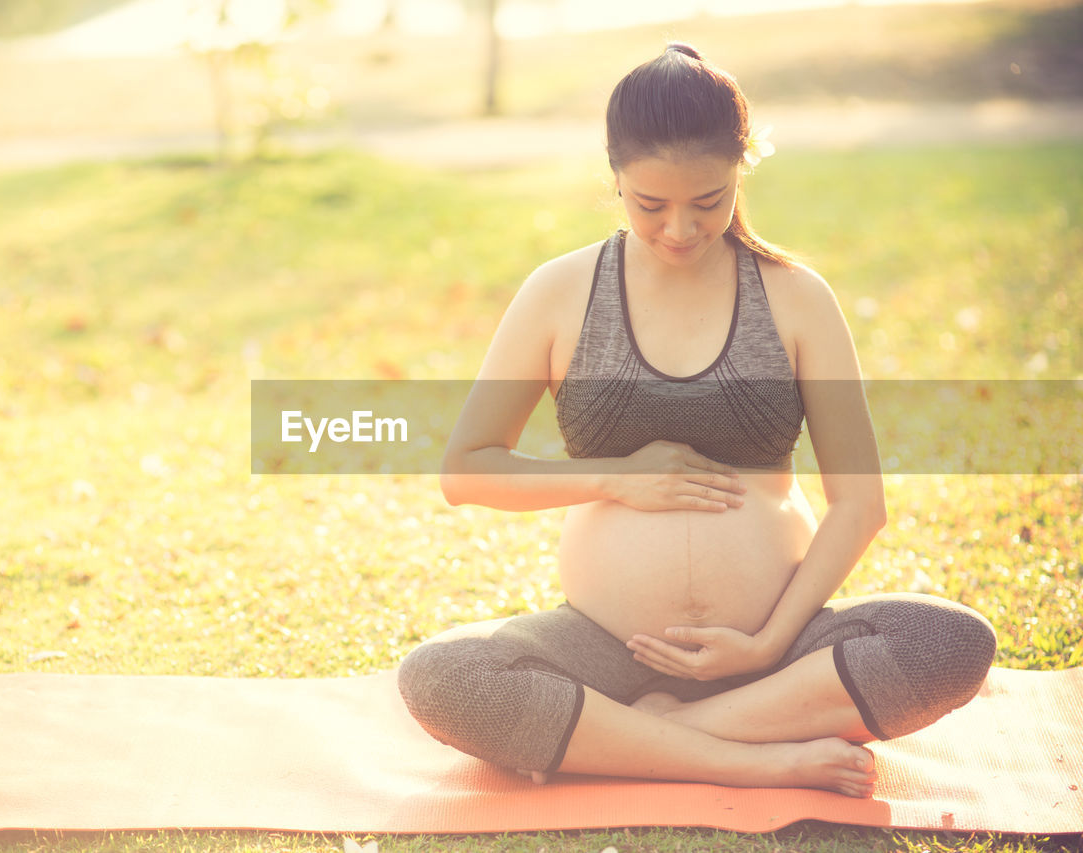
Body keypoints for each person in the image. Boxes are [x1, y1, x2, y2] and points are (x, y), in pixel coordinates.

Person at [396, 43, 996, 798]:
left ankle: (638, 737)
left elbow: (861, 503)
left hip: (771, 654)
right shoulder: (559, 293)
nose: (679, 228)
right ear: (615, 175)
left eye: (707, 201)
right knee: (442, 676)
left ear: (741, 168)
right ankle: (751, 754)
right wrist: (618, 479)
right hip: (607, 649)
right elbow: (467, 469)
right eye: (651, 204)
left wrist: (765, 642)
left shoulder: (796, 298)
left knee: (950, 638)